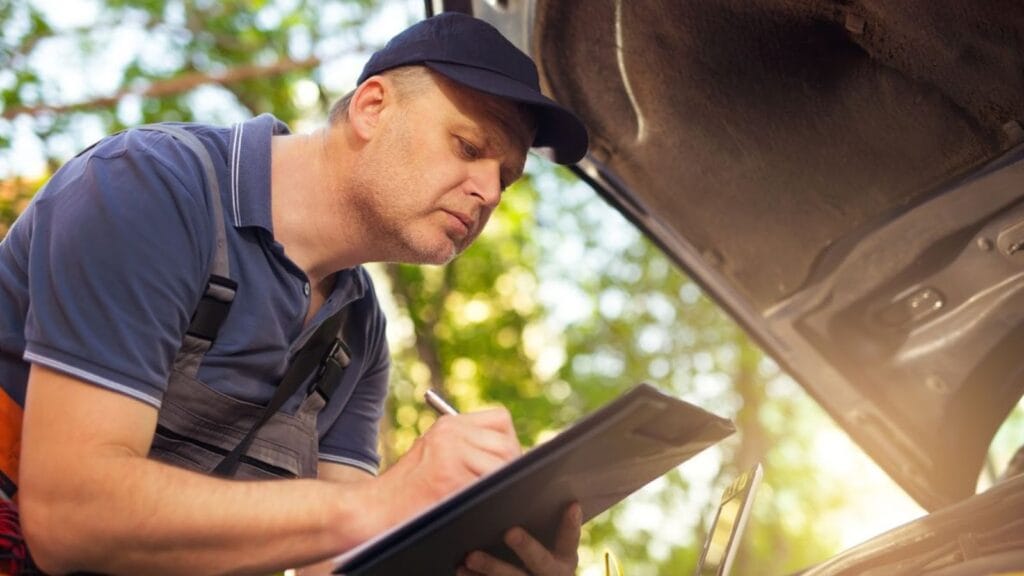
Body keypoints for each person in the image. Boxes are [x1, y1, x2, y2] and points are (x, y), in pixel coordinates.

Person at [0, 11, 588, 576]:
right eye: (468, 147)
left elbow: (336, 563)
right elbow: (68, 518)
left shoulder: (359, 332)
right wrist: (389, 499)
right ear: (372, 107)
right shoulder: (150, 188)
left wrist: (474, 553)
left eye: (506, 177)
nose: (489, 191)